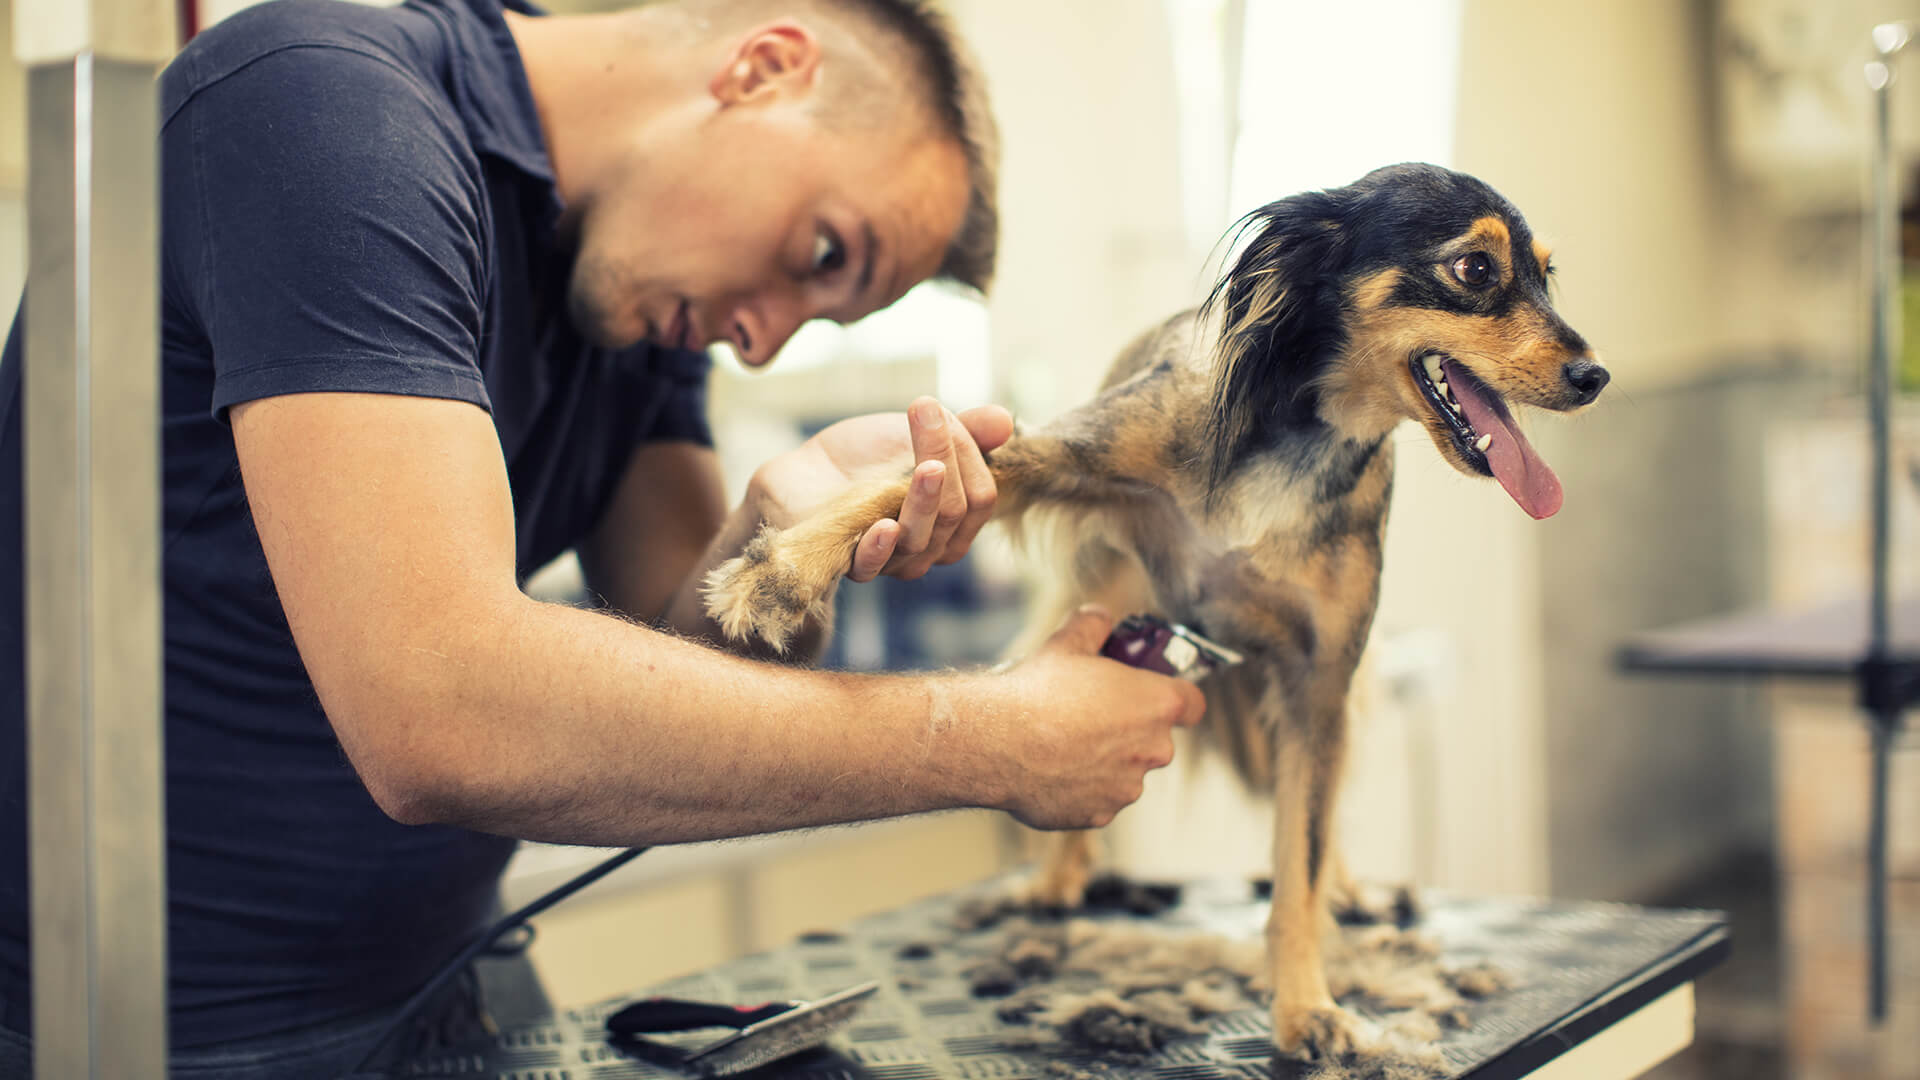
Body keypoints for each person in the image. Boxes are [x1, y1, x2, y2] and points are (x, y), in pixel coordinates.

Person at [0, 0, 1205, 1075]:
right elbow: (444, 714)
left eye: (824, 314)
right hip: (164, 1031)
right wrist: (985, 740)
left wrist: (783, 538)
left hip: (452, 986)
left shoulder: (637, 304)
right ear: (766, 67)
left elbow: (687, 700)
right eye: (822, 255)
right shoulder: (327, 108)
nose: (764, 341)